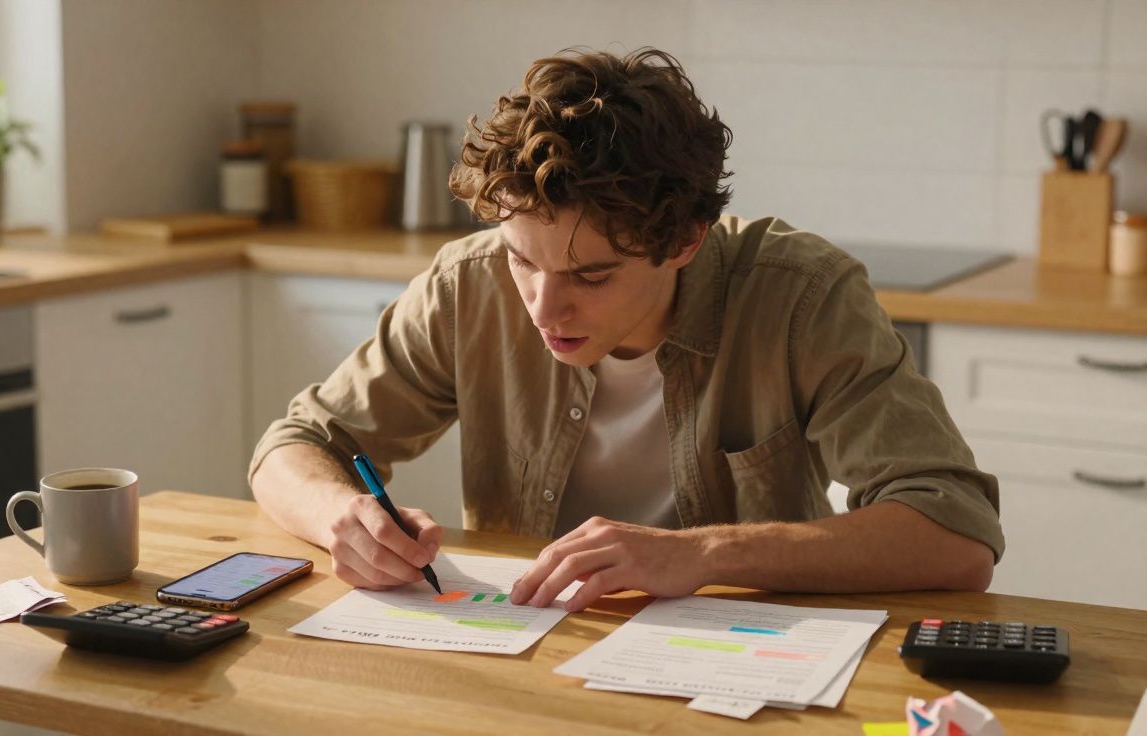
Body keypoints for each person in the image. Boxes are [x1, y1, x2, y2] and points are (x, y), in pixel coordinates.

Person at [249, 47, 1002, 614]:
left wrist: (702, 554)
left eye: (591, 275)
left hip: (743, 664)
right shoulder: (467, 283)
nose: (544, 307)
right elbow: (295, 446)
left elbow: (955, 535)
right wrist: (340, 515)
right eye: (523, 261)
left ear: (686, 241)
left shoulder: (800, 296)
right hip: (531, 653)